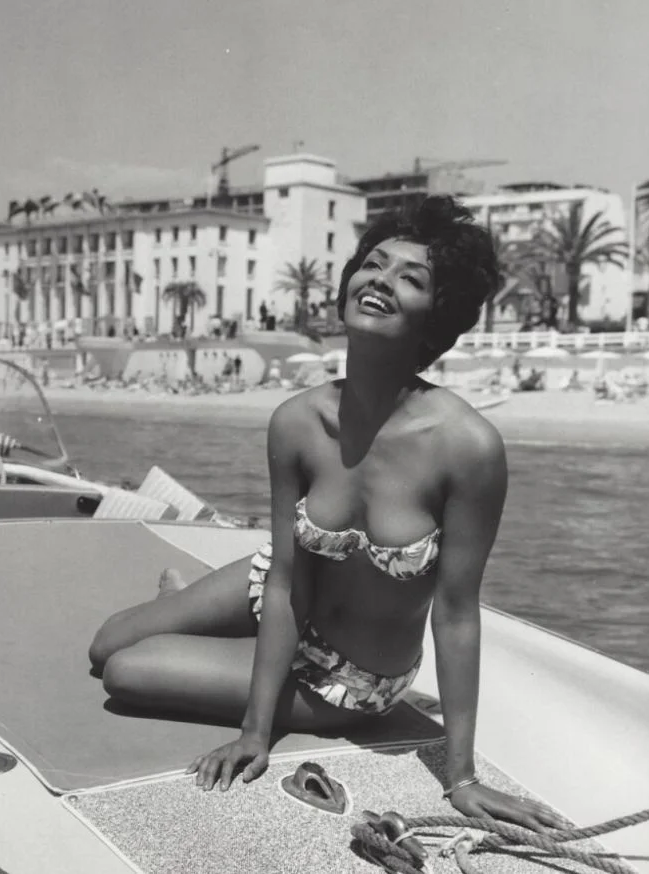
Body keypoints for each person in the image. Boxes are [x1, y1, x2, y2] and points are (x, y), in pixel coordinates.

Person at [89, 197, 564, 833]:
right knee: (106, 642)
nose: (381, 280)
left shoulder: (467, 447)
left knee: (127, 671)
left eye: (410, 278)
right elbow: (286, 577)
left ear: (438, 316)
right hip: (284, 591)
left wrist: (462, 778)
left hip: (348, 677)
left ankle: (210, 626)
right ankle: (197, 611)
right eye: (374, 264)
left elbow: (455, 613)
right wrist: (255, 731)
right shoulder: (297, 422)